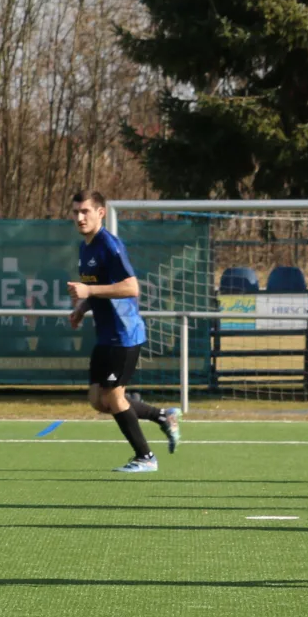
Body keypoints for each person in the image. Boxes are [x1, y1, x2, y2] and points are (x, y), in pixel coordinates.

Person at [67, 190, 178, 472]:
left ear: (101, 213)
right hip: (105, 334)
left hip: (124, 334)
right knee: (98, 400)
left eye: (85, 211)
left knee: (114, 398)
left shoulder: (109, 245)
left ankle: (146, 457)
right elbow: (100, 289)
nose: (80, 217)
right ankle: (162, 416)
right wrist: (82, 308)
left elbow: (131, 287)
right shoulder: (85, 247)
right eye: (76, 212)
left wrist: (89, 291)